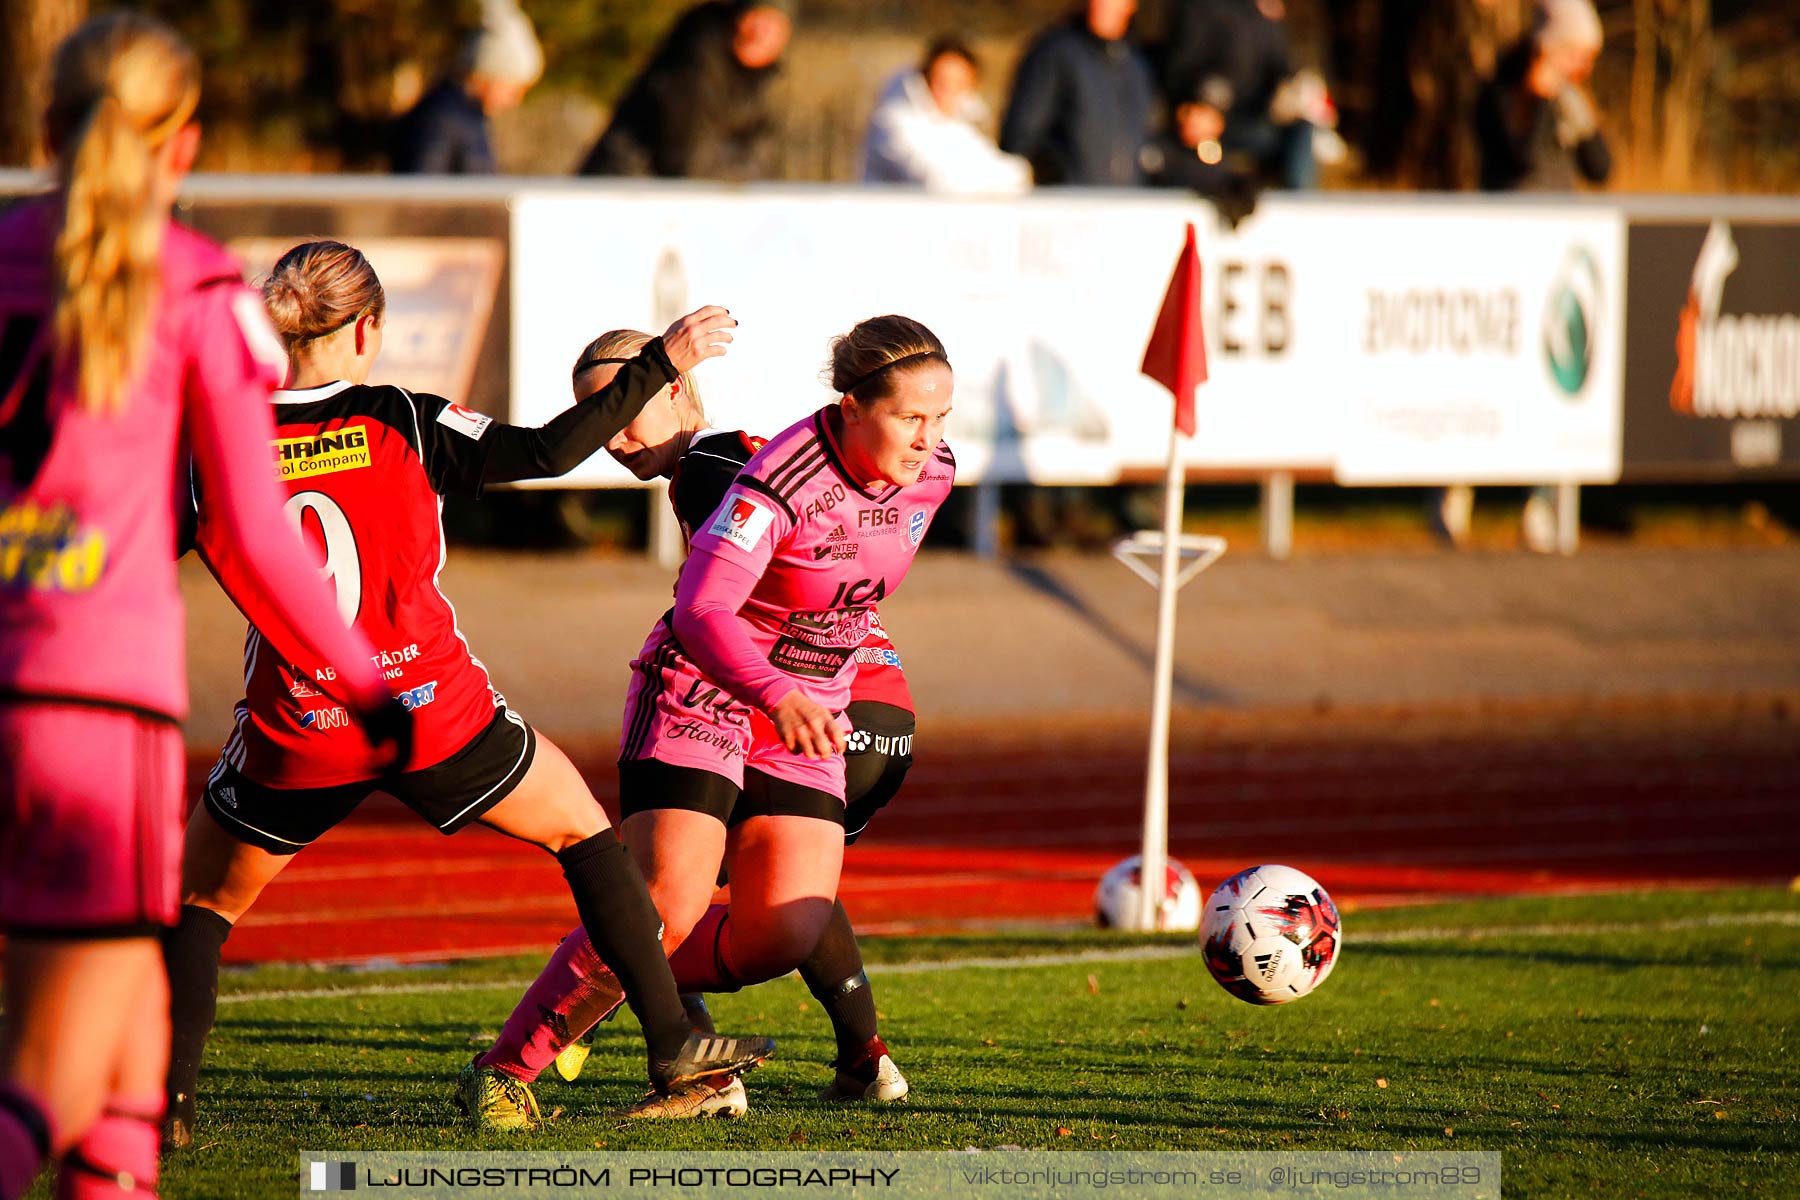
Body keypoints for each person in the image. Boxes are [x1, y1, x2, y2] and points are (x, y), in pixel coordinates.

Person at [161, 241, 774, 1146]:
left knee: (201, 911)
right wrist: (661, 363)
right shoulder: (402, 417)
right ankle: (673, 1044)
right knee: (586, 836)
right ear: (367, 329)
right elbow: (550, 451)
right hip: (427, 713)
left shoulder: (213, 439)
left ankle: (163, 1108)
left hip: (299, 724)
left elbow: (133, 549)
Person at [0, 17, 405, 1199]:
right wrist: (369, 685)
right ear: (184, 148)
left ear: (44, 130)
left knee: (124, 1082)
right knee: (58, 1077)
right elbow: (254, 533)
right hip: (89, 703)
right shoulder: (201, 288)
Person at [460, 328, 922, 1121]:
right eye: (598, 416)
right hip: (859, 705)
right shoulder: (760, 457)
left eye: (626, 408)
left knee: (672, 900)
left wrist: (776, 668)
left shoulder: (715, 467)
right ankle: (837, 1059)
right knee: (763, 906)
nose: (614, 435)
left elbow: (723, 599)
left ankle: (625, 1013)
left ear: (677, 389)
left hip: (791, 703)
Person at [578, 0, 794, 180]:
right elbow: (685, 159)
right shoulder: (700, 56)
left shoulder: (765, 83)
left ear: (784, 37)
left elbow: (765, 156)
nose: (758, 34)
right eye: (755, 20)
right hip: (627, 192)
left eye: (771, 27)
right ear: (738, 18)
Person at [1157, 0, 1318, 190]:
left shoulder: (1264, 13)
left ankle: (1298, 207)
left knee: (1302, 130)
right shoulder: (1199, 9)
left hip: (1251, 119)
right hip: (1206, 121)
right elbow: (1181, 71)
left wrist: (1295, 92)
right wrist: (1205, 106)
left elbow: (1280, 67)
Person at [1000, 0, 1154, 187]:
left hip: (1126, 203)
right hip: (1068, 205)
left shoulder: (1137, 64)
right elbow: (1019, 136)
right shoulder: (1055, 52)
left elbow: (1146, 139)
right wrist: (1056, 176)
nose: (1102, 4)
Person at [860, 37, 1031, 195]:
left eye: (958, 83)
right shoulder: (894, 124)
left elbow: (1018, 175)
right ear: (925, 78)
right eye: (941, 81)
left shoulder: (961, 128)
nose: (948, 91)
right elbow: (938, 182)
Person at [391, 0, 543, 174]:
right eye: (514, 89)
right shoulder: (441, 119)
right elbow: (420, 191)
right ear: (491, 74)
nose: (515, 100)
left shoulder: (469, 118)